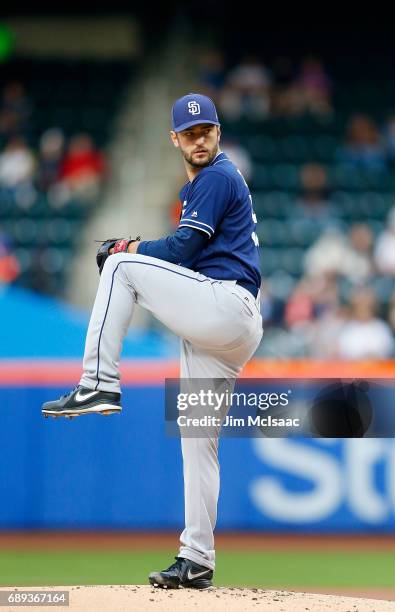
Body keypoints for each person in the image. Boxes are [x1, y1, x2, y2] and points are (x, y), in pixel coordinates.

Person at [41, 93, 263, 589]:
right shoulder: (211, 182)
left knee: (119, 264)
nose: (198, 138)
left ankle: (98, 381)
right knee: (198, 440)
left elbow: (183, 249)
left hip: (224, 305)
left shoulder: (217, 177)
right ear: (174, 139)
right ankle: (197, 558)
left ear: (218, 133)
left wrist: (129, 245)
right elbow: (187, 252)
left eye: (205, 129)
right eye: (189, 133)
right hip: (226, 322)